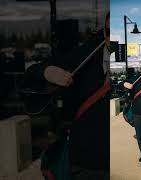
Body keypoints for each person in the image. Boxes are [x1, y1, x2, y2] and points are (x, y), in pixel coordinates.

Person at [22, 12, 110, 180]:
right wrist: (49, 72)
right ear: (104, 32)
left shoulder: (134, 59)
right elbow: (31, 74)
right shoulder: (85, 54)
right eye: (110, 32)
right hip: (88, 163)